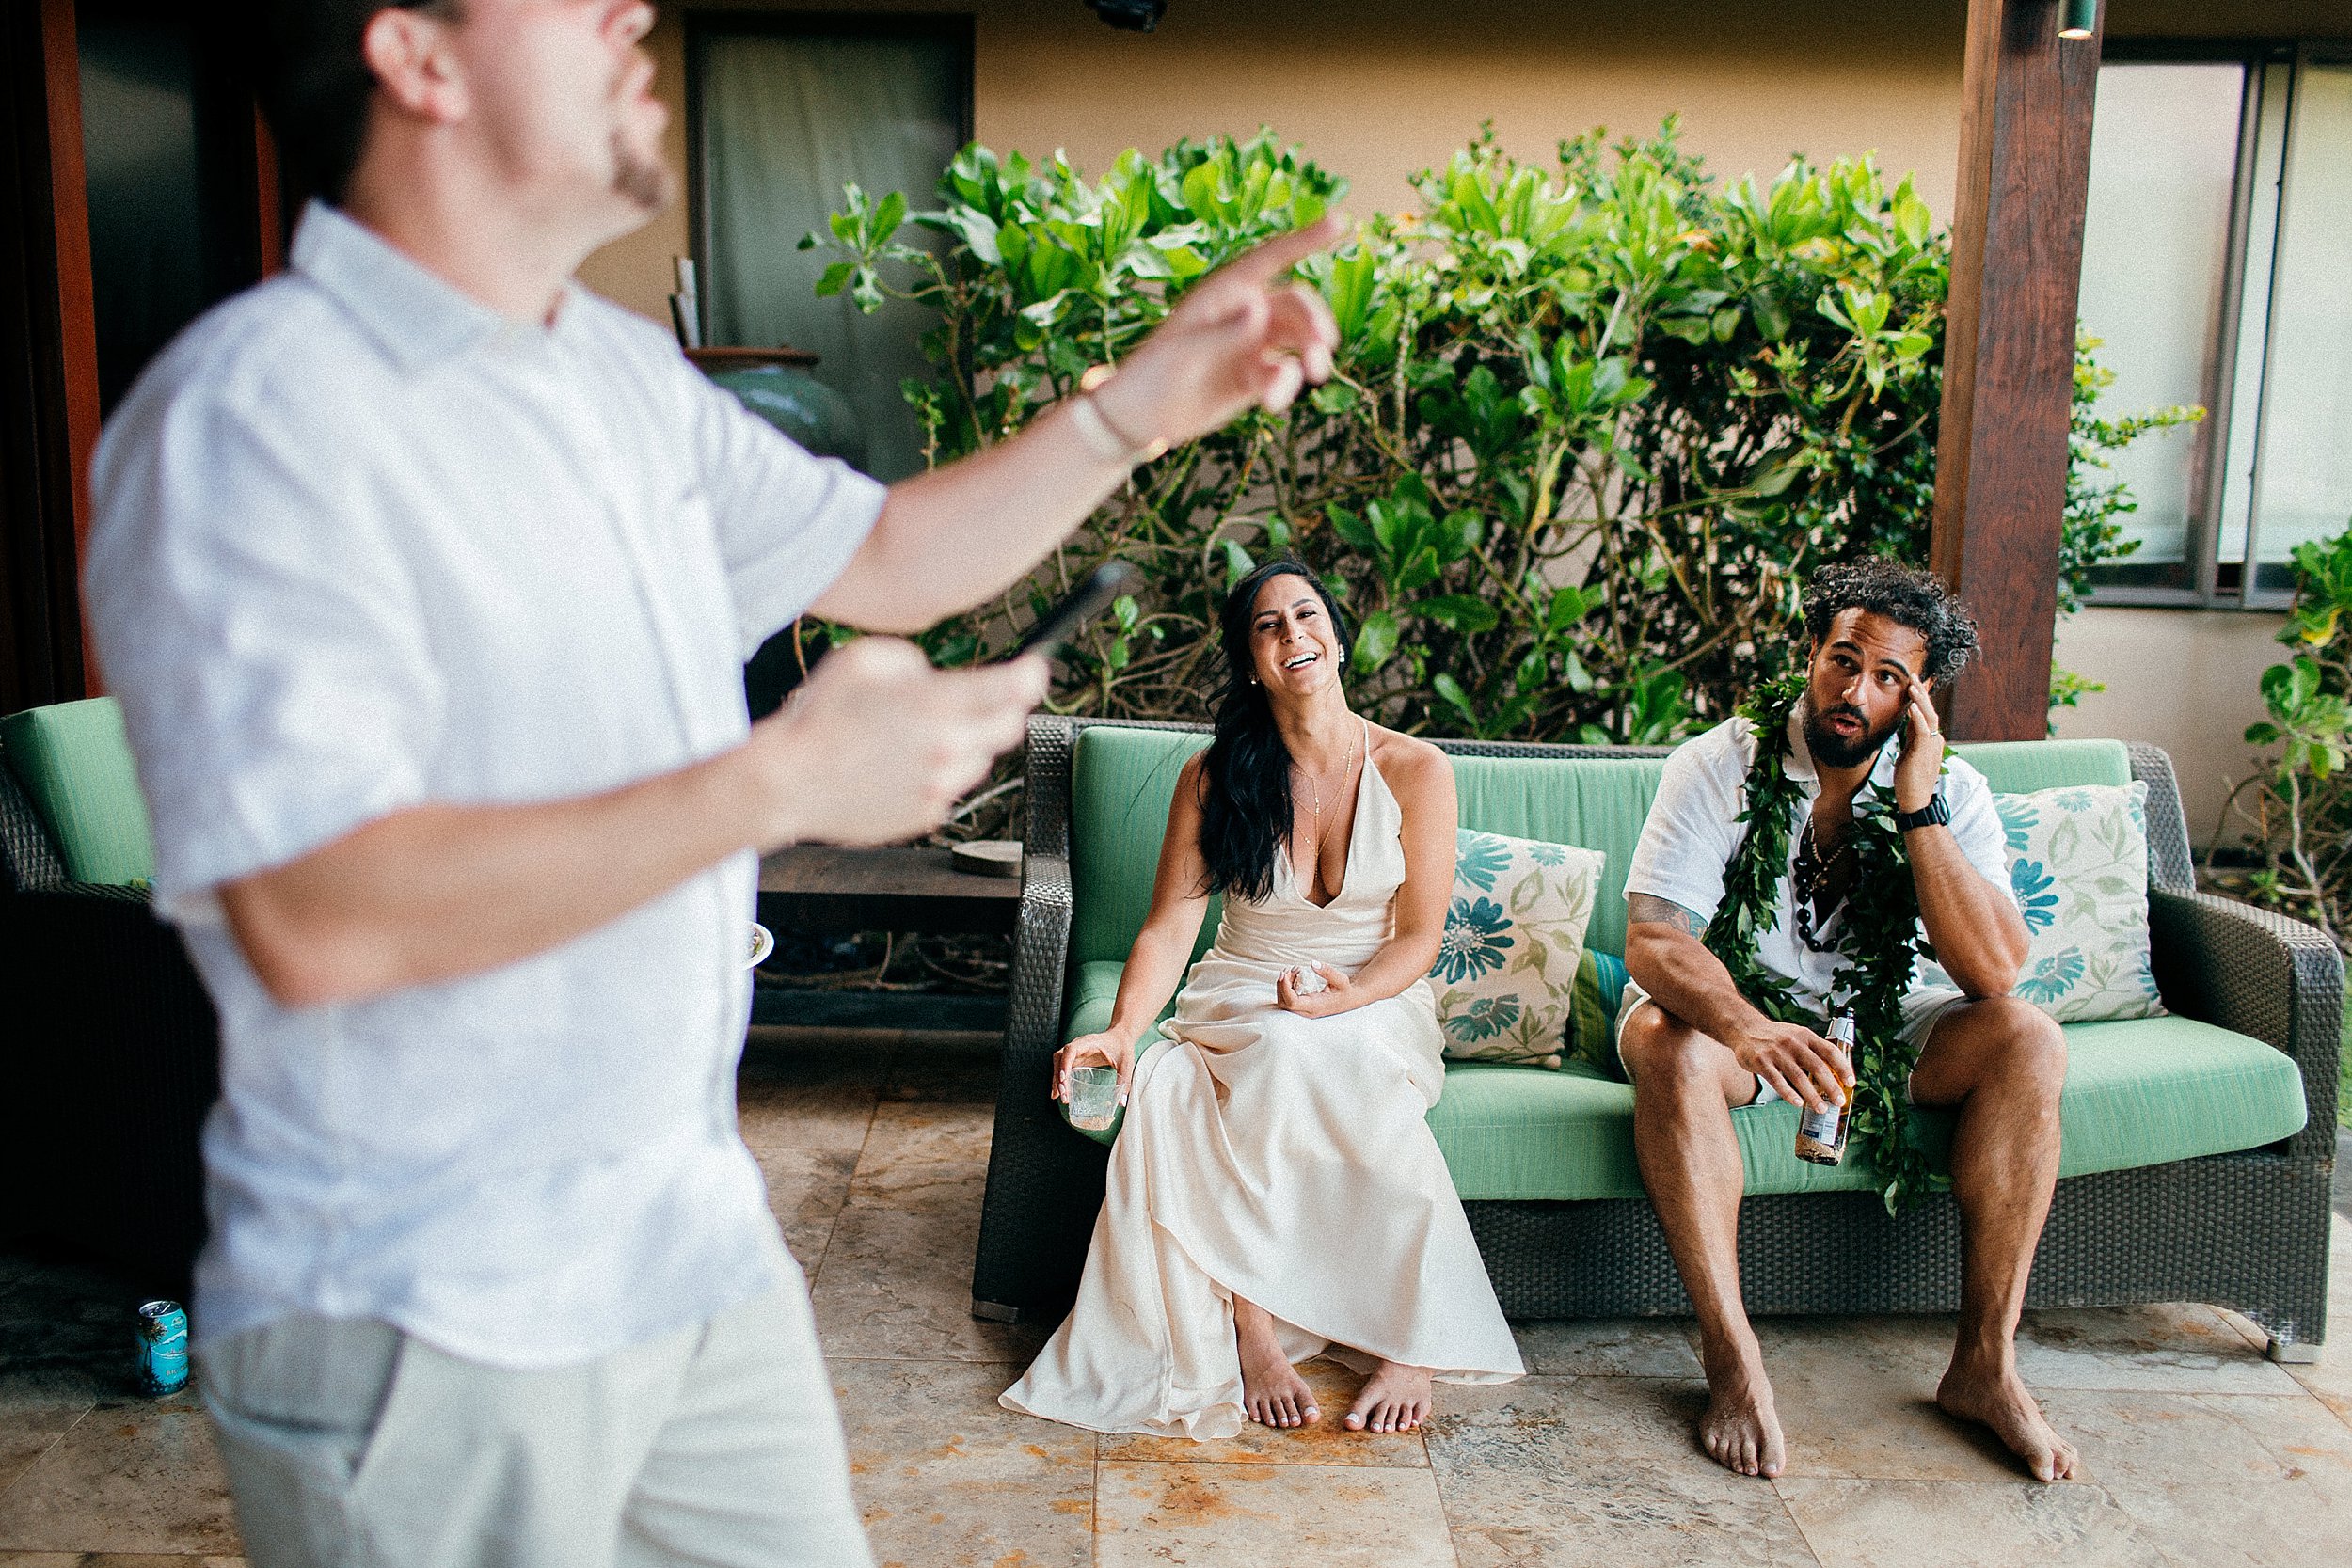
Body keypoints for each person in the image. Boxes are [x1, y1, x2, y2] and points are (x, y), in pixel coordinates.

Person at [80, 3, 1340, 1564]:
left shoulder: (614, 372)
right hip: (423, 1311)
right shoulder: (254, 422)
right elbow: (318, 914)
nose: (630, 12)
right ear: (416, 57)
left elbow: (884, 554)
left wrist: (1133, 408)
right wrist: (777, 781)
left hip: (687, 1245)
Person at [1001, 559, 1524, 1441]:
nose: (1293, 636)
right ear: (1250, 662)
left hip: (1374, 988)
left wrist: (1347, 995)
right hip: (1246, 982)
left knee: (1329, 1049)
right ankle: (1251, 1326)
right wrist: (1124, 1030)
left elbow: (1419, 938)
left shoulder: (1416, 769)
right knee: (1264, 1054)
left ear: (1339, 637)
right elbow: (1171, 924)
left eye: (1306, 615)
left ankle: (1410, 1339)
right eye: (1268, 627)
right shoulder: (1216, 776)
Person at [1616, 559, 2075, 1483]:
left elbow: (1990, 971)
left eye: (1887, 677)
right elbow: (1654, 943)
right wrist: (1746, 1027)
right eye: (1842, 660)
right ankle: (1730, 1354)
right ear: (1810, 651)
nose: (1854, 691)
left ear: (1919, 696)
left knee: (2028, 1035)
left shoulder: (1952, 794)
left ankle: (1985, 1364)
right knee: (1662, 1037)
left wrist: (1917, 806)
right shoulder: (1719, 762)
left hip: (1885, 1022)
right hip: (1738, 1016)